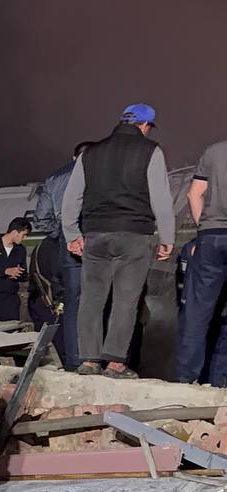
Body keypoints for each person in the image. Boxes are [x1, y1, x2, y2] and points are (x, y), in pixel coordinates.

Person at [62, 103, 176, 379]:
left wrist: (72, 234)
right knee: (126, 300)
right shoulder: (150, 150)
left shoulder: (90, 153)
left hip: (96, 234)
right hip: (134, 234)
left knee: (91, 298)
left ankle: (88, 361)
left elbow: (71, 196)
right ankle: (114, 364)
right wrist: (167, 236)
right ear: (145, 126)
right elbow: (160, 196)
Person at [32, 142, 93, 369]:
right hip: (95, 242)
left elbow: (41, 219)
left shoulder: (55, 178)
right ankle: (95, 358)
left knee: (70, 303)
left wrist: (63, 234)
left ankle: (73, 360)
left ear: (73, 155)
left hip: (66, 246)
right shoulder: (99, 173)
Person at [176, 139, 227, 384]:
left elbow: (193, 194)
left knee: (197, 312)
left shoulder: (214, 151)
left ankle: (186, 377)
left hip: (211, 237)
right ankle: (221, 380)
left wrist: (204, 226)